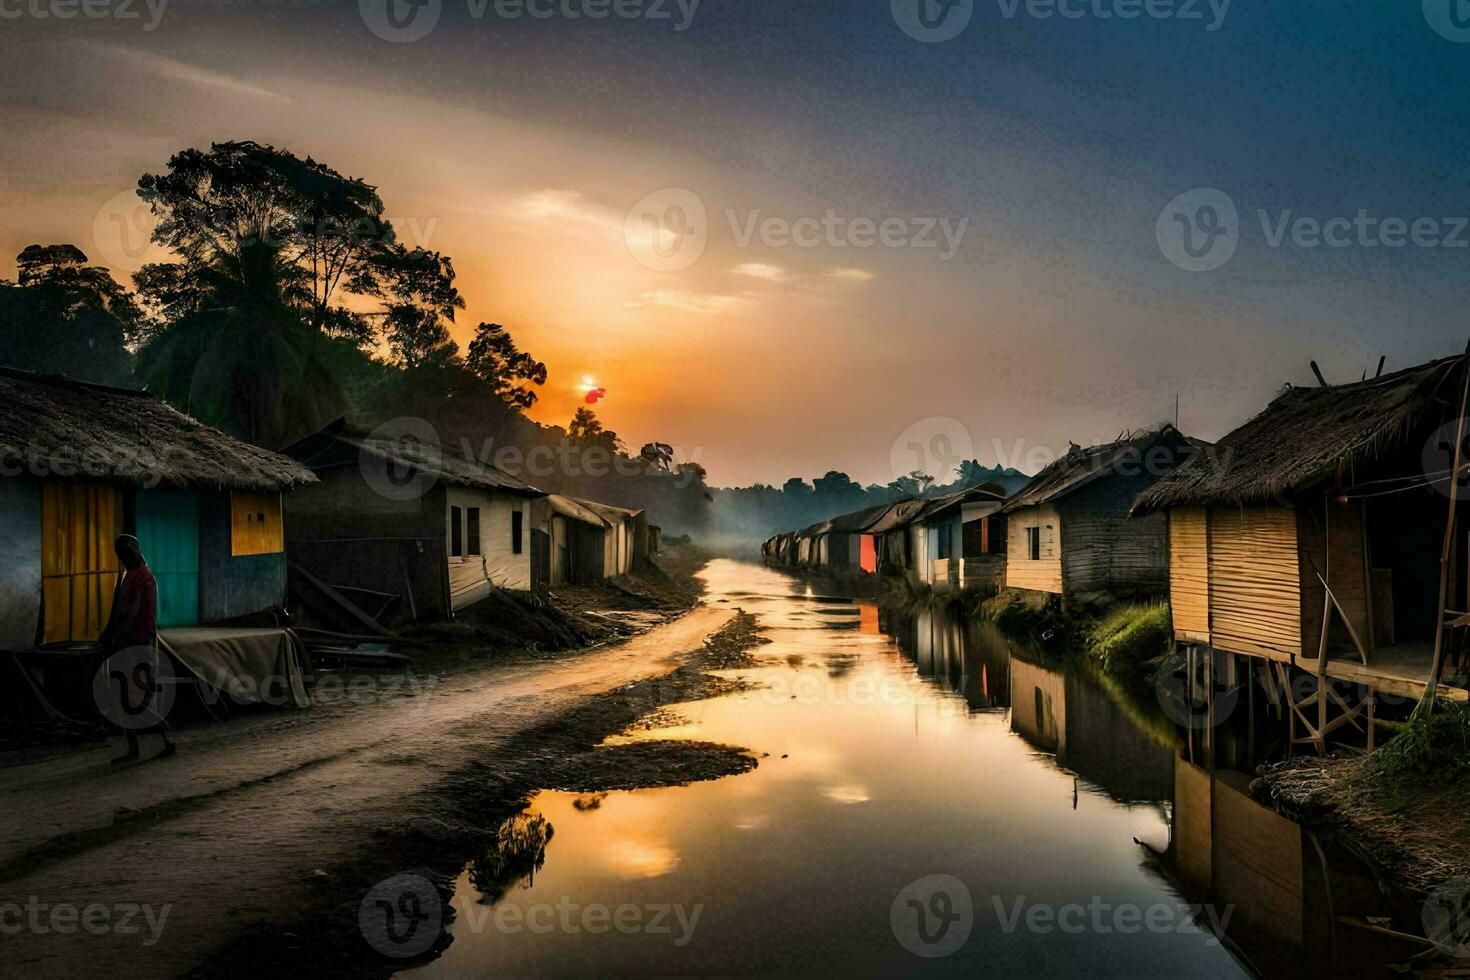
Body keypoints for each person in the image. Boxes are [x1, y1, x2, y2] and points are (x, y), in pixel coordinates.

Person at [99, 533, 176, 761]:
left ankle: (165, 735)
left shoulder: (140, 578)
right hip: (131, 642)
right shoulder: (137, 576)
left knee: (132, 698)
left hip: (135, 643)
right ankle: (138, 746)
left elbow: (130, 614)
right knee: (124, 697)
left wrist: (114, 636)